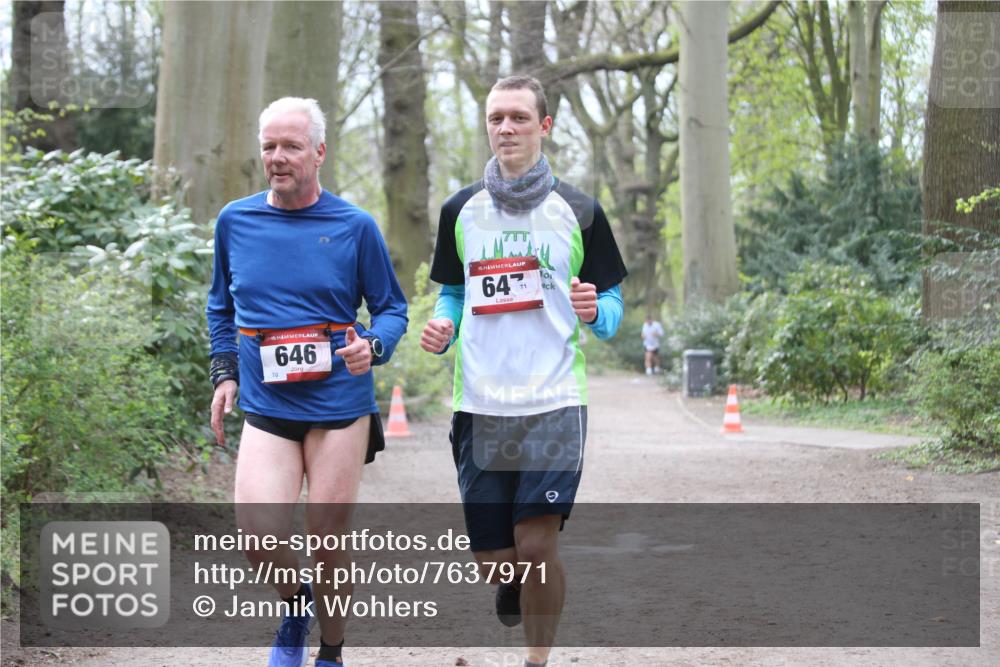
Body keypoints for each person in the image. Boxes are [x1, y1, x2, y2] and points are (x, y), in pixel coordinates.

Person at [420, 75, 627, 667]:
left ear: (544, 125)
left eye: (517, 117)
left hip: (555, 399)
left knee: (538, 545)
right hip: (481, 402)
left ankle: (536, 659)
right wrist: (443, 326)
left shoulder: (581, 210)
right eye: (495, 119)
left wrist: (597, 311)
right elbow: (453, 294)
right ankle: (510, 578)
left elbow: (609, 306)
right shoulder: (460, 210)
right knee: (496, 562)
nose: (505, 128)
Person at [206, 97, 407, 667]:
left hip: (339, 403)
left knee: (326, 540)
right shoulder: (235, 221)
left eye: (291, 146)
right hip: (268, 401)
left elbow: (392, 308)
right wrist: (224, 373)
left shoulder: (353, 226)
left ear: (319, 152)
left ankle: (331, 654)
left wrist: (375, 344)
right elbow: (220, 308)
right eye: (268, 146)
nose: (277, 157)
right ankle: (297, 608)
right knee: (258, 536)